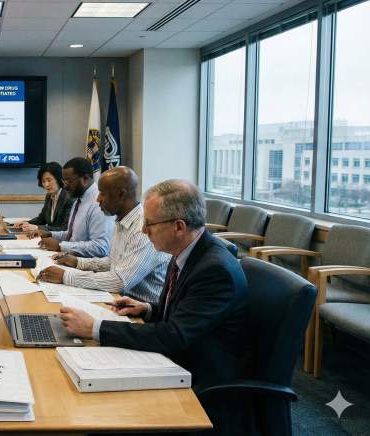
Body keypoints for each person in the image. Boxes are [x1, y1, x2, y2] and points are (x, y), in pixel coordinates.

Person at [59, 179, 252, 435]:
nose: (143, 230)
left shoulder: (215, 270)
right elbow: (187, 311)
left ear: (179, 227)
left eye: (149, 224)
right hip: (178, 359)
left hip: (203, 383)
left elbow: (174, 336)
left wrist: (94, 328)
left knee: (96, 411)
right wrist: (148, 309)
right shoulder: (187, 250)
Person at [35, 167, 170, 303]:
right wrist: (79, 262)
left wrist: (67, 276)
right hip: (121, 300)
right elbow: (113, 261)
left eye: (102, 193)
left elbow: (120, 281)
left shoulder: (142, 229)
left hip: (142, 309)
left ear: (121, 194)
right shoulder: (120, 220)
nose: (98, 199)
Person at [29, 157, 113, 258]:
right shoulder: (78, 200)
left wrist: (60, 245)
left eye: (68, 181)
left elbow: (100, 248)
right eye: (64, 181)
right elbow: (71, 235)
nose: (64, 185)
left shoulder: (99, 204)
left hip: (88, 264)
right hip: (73, 260)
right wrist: (50, 234)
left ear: (85, 179)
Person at [12, 162, 74, 232]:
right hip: (50, 237)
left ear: (59, 179)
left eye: (49, 180)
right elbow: (42, 219)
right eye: (43, 181)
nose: (46, 184)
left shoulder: (69, 198)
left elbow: (65, 228)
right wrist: (27, 223)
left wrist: (37, 228)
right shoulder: (49, 196)